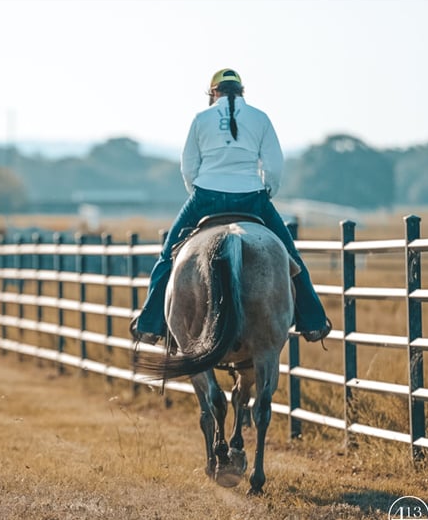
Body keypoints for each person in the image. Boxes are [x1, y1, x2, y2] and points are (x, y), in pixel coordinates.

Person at [130, 68, 332, 345]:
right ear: (242, 91)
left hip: (206, 196)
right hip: (252, 196)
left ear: (213, 93)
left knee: (167, 258)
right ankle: (313, 321)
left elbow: (188, 166)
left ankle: (150, 325)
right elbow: (274, 165)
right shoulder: (260, 118)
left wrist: (199, 193)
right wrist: (266, 191)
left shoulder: (201, 118)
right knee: (291, 258)